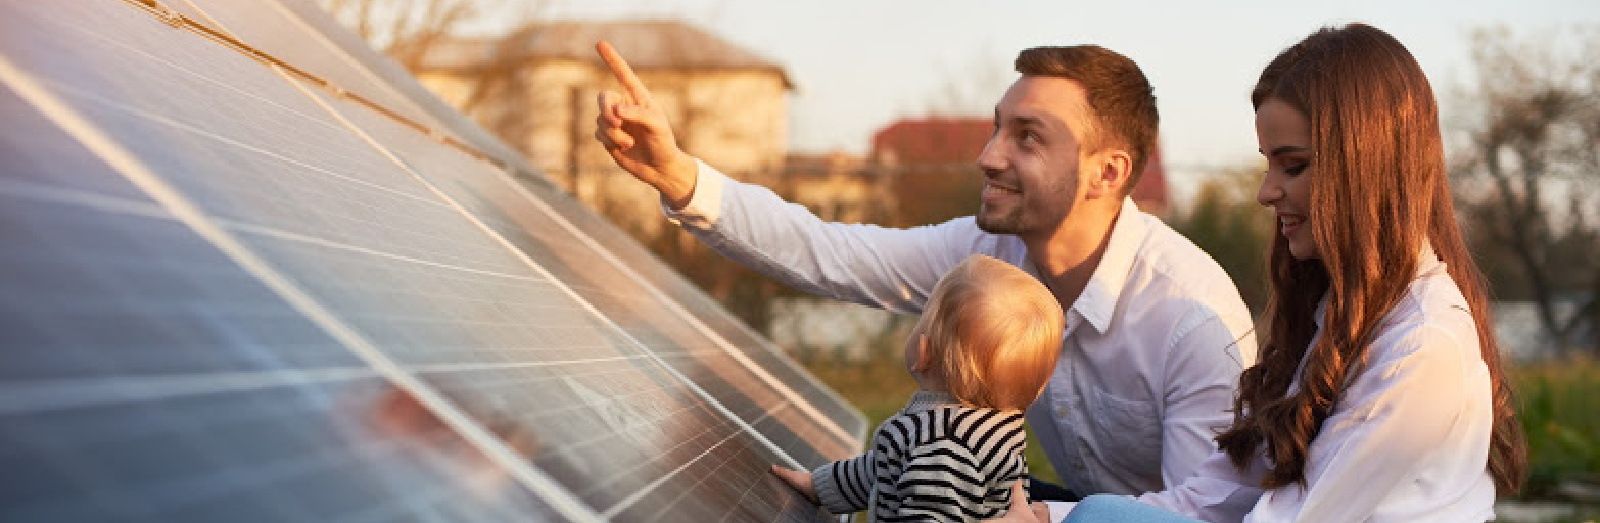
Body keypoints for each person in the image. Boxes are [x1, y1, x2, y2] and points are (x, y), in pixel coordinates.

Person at [593, 41, 1258, 500]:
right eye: (998, 127)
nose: (989, 155)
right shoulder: (984, 257)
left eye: (1027, 136)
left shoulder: (1190, 319)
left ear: (1107, 172)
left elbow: (1200, 513)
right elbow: (831, 252)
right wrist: (682, 178)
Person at [996, 23, 1528, 523]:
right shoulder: (1340, 318)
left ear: (1365, 169)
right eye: (1267, 163)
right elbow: (1218, 495)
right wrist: (1047, 517)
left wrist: (1083, 518)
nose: (1266, 192)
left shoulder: (1421, 345)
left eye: (1292, 165)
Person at [769, 254, 1065, 521]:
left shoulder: (943, 447)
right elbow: (882, 468)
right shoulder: (990, 429)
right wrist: (818, 487)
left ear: (923, 352)